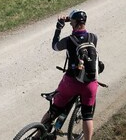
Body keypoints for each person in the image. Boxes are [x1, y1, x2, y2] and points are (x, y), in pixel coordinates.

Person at [40, 9, 102, 140]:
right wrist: (73, 20)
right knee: (87, 116)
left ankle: (37, 136)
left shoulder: (68, 40)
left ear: (74, 23)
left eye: (71, 22)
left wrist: (59, 27)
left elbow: (55, 46)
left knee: (54, 110)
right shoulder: (94, 37)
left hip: (70, 83)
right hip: (89, 84)